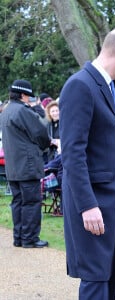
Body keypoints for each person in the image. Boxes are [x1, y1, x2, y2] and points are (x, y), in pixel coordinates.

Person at [59, 27, 115, 300]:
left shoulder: (111, 87)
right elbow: (73, 153)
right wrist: (87, 205)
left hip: (113, 204)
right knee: (96, 279)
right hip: (93, 204)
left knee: (110, 275)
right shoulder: (79, 85)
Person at [1, 79, 50, 248]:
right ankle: (29, 238)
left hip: (13, 165)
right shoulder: (23, 111)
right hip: (27, 164)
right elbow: (41, 133)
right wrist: (45, 145)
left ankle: (19, 237)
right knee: (31, 201)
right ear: (23, 95)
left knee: (18, 201)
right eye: (28, 96)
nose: (29, 99)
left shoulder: (6, 111)